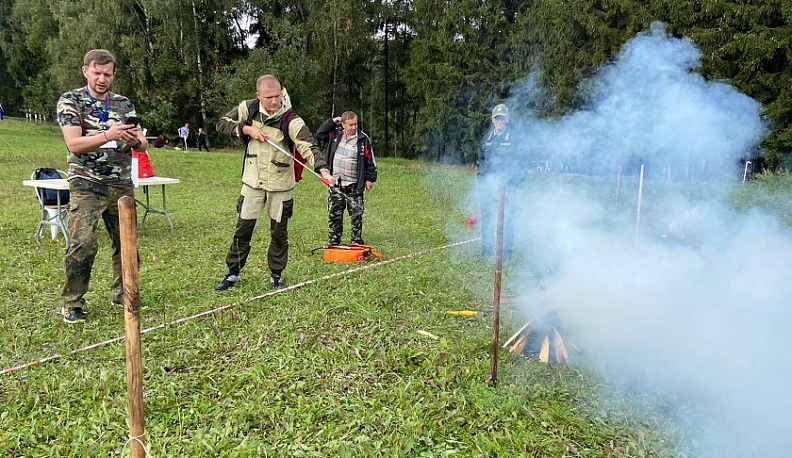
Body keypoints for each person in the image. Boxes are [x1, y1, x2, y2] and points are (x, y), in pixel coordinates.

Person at [214, 74, 333, 291]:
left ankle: (276, 274)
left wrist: (323, 170)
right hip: (252, 183)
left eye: (278, 96)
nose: (275, 101)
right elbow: (221, 124)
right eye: (269, 97)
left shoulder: (291, 119)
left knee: (279, 233)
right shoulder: (247, 109)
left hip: (281, 186)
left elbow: (309, 146)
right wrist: (246, 129)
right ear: (258, 96)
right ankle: (232, 273)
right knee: (243, 230)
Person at [56, 49, 148, 324]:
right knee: (83, 243)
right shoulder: (71, 101)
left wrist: (132, 139)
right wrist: (109, 134)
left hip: (120, 183)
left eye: (107, 74)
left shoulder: (123, 104)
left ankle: (124, 293)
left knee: (127, 244)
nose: (102, 79)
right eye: (97, 73)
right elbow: (74, 143)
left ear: (113, 74)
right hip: (87, 183)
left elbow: (142, 143)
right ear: (85, 71)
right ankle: (72, 302)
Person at [316, 111, 377, 246]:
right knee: (334, 214)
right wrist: (332, 122)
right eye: (350, 125)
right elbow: (320, 134)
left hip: (354, 184)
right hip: (336, 183)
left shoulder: (363, 139)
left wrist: (370, 179)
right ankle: (334, 241)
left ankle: (356, 240)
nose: (354, 127)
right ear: (343, 124)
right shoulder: (335, 134)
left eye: (355, 124)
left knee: (356, 214)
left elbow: (370, 161)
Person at [476, 104, 526, 258]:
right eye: (497, 118)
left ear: (507, 120)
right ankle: (487, 250)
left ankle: (506, 253)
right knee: (487, 216)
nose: (499, 121)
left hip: (506, 187)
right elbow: (481, 162)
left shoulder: (515, 140)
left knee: (506, 218)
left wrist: (510, 183)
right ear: (492, 120)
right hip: (489, 187)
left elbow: (522, 166)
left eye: (502, 118)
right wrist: (482, 181)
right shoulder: (486, 139)